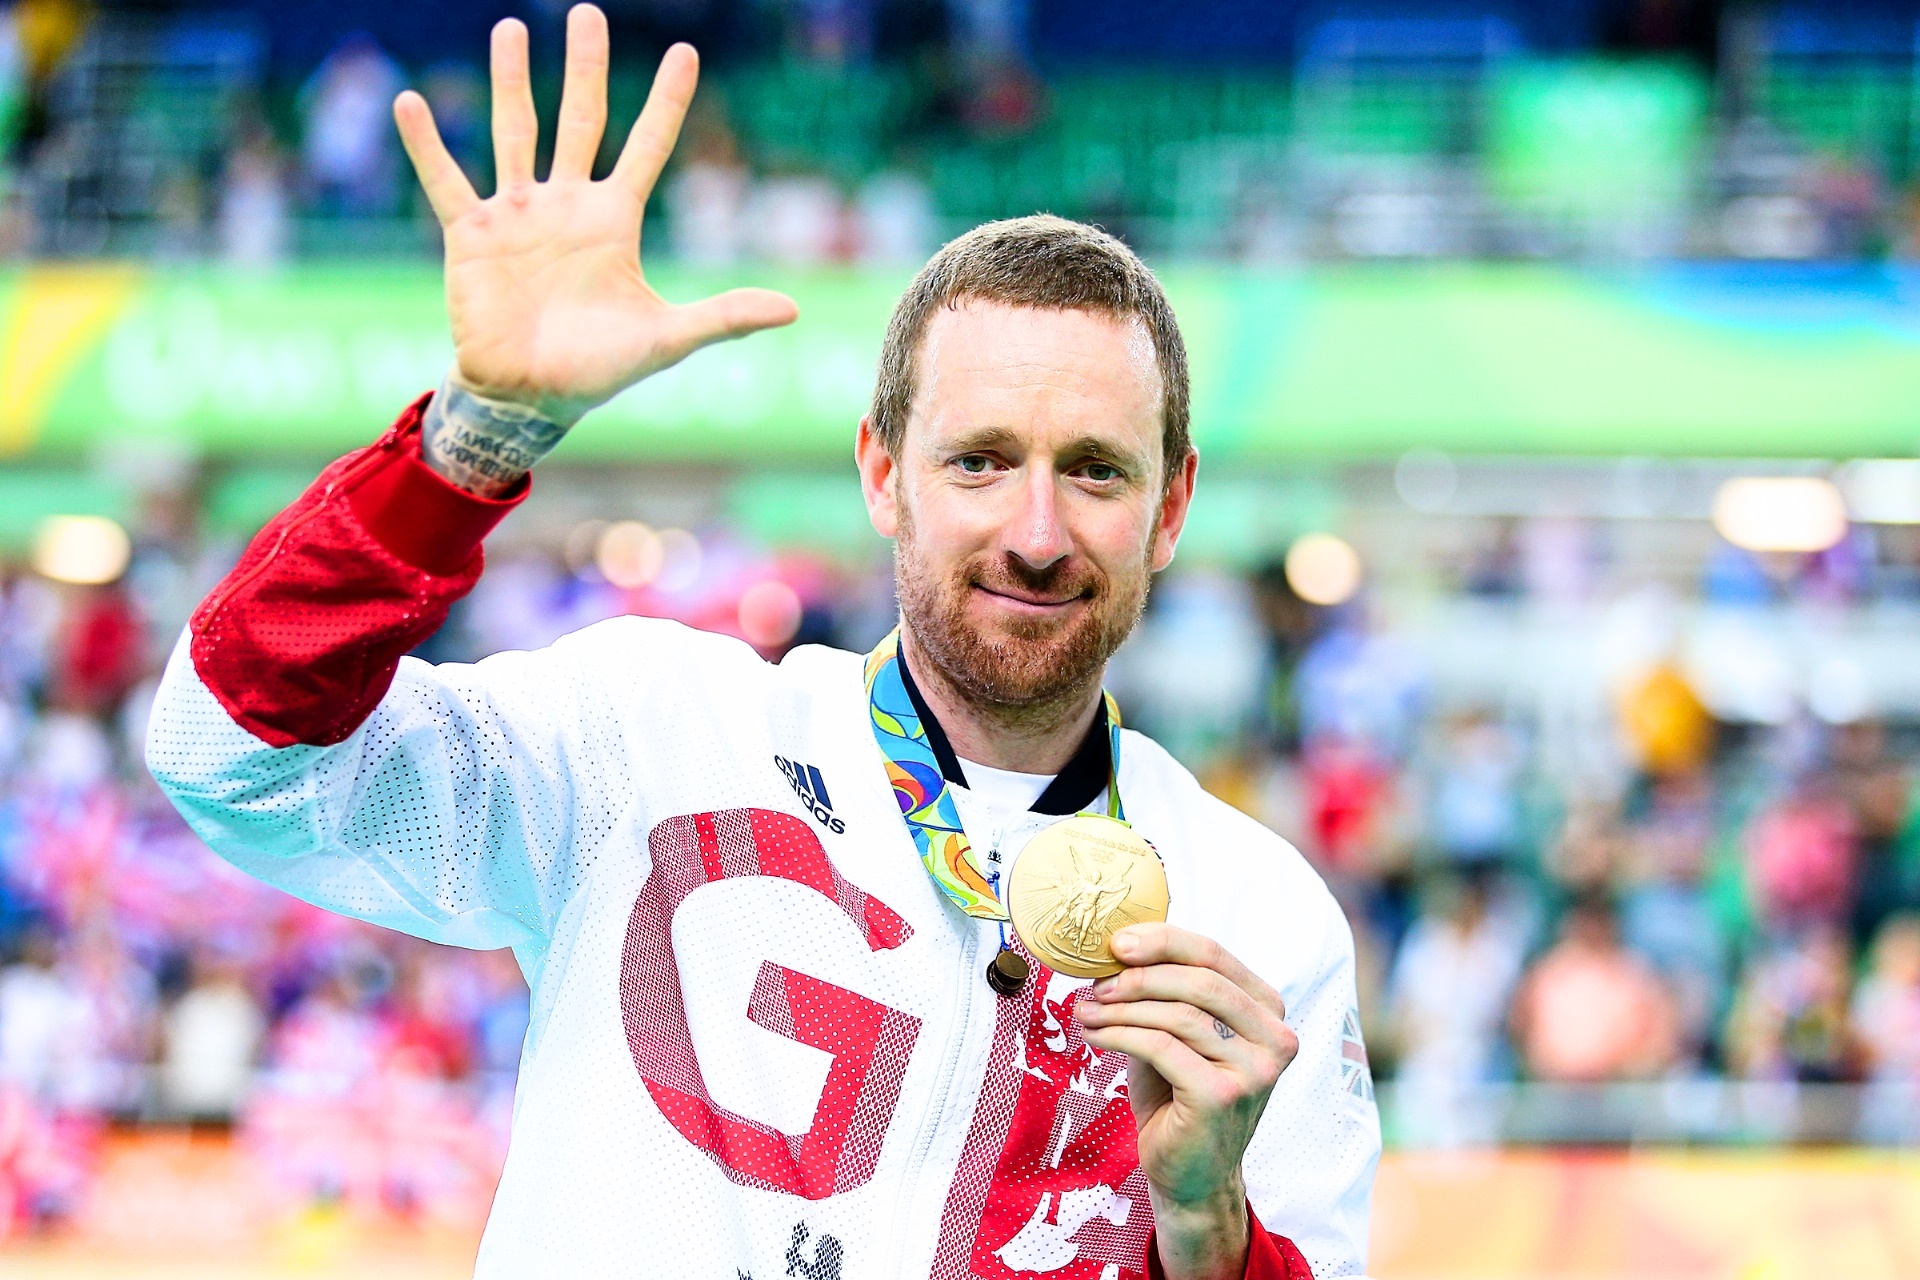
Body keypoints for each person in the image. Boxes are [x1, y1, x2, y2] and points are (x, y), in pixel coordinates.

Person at [144, 7, 1377, 1278]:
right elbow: (226, 756)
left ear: (1169, 507)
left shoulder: (1260, 918)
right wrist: (472, 440)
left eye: (1098, 472)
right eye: (981, 461)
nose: (1039, 531)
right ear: (882, 474)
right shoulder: (645, 736)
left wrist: (1210, 1229)